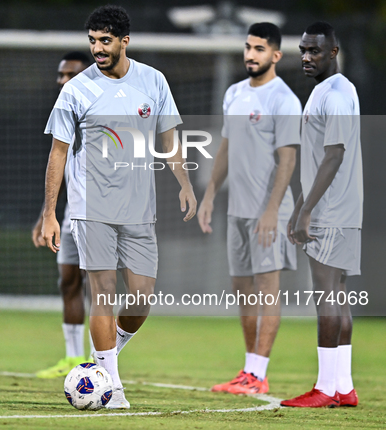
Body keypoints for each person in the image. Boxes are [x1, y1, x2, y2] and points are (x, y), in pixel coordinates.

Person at [41, 5, 197, 409]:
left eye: (105, 41)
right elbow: (57, 153)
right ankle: (113, 389)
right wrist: (49, 213)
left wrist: (184, 183)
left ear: (125, 41)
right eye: (92, 40)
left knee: (143, 297)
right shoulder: (75, 89)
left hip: (140, 210)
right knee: (103, 293)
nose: (97, 48)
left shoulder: (153, 81)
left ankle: (101, 363)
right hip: (92, 209)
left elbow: (169, 139)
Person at [198, 23, 301, 395]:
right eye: (247, 47)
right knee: (243, 290)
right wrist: (210, 193)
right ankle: (248, 370)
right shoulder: (234, 94)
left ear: (275, 55)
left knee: (266, 290)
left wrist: (272, 209)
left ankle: (259, 374)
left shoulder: (284, 99)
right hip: (237, 211)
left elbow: (288, 159)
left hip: (270, 211)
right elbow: (225, 147)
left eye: (259, 49)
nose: (250, 55)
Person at [281, 22, 361, 408]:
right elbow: (318, 161)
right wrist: (299, 208)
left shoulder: (338, 94)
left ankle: (325, 388)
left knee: (326, 296)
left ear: (333, 52)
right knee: (338, 297)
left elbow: (335, 154)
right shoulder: (325, 92)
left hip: (332, 212)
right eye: (303, 50)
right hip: (330, 209)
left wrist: (308, 210)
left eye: (314, 51)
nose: (307, 57)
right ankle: (343, 386)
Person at [32, 51, 93, 379]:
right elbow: (61, 171)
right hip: (70, 217)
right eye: (60, 75)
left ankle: (101, 361)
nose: (62, 81)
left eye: (69, 74)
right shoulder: (64, 114)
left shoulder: (102, 112)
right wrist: (47, 214)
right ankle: (72, 358)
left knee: (100, 288)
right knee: (68, 283)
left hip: (100, 218)